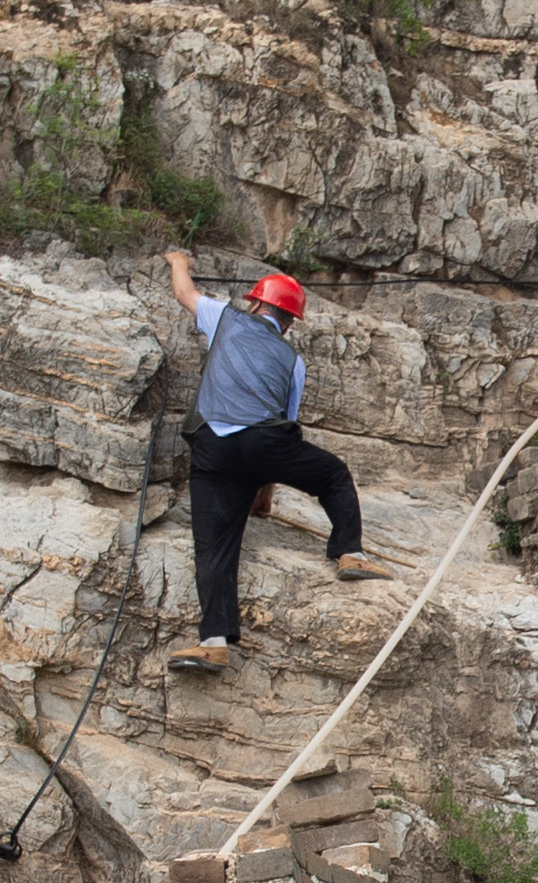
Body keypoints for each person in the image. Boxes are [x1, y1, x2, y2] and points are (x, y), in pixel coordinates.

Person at [162, 247, 384, 674]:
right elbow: (282, 428)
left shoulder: (225, 318)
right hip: (264, 444)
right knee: (333, 474)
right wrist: (263, 496)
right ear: (289, 322)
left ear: (258, 302)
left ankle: (213, 642)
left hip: (212, 447)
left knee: (214, 547)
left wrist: (178, 260)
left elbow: (184, 293)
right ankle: (348, 552)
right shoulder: (292, 361)